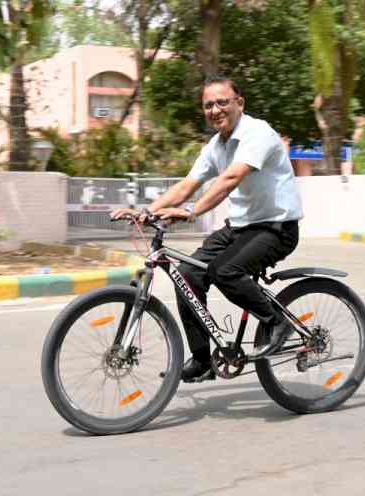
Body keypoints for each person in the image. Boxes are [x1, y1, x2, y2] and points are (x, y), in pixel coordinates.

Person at [112, 75, 304, 382]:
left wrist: (190, 212)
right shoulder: (216, 145)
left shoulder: (258, 133)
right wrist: (147, 212)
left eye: (222, 102)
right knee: (187, 275)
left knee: (224, 271)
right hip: (241, 226)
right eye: (208, 105)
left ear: (239, 103)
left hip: (276, 227)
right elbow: (189, 184)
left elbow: (231, 179)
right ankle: (203, 358)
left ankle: (277, 322)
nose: (215, 109)